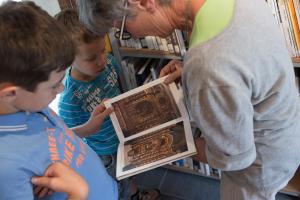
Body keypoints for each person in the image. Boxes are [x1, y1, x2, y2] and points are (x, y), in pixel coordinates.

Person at [77, 0, 300, 199]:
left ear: (142, 2)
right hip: (286, 132)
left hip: (258, 167)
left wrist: (175, 144)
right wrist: (196, 74)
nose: (133, 36)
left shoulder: (208, 63)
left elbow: (234, 159)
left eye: (122, 28)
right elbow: (244, 61)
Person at [0, 1, 117, 199]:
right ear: (11, 93)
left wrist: (86, 129)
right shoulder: (6, 167)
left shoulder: (27, 104)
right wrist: (77, 193)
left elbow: (54, 137)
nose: (61, 88)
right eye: (53, 85)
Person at [55, 9, 160, 200]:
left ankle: (134, 194)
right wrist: (88, 128)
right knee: (115, 187)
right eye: (91, 58)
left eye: (103, 50)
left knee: (130, 174)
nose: (102, 60)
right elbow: (65, 136)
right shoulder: (70, 99)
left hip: (124, 135)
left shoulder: (109, 63)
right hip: (105, 154)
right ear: (68, 59)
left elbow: (118, 88)